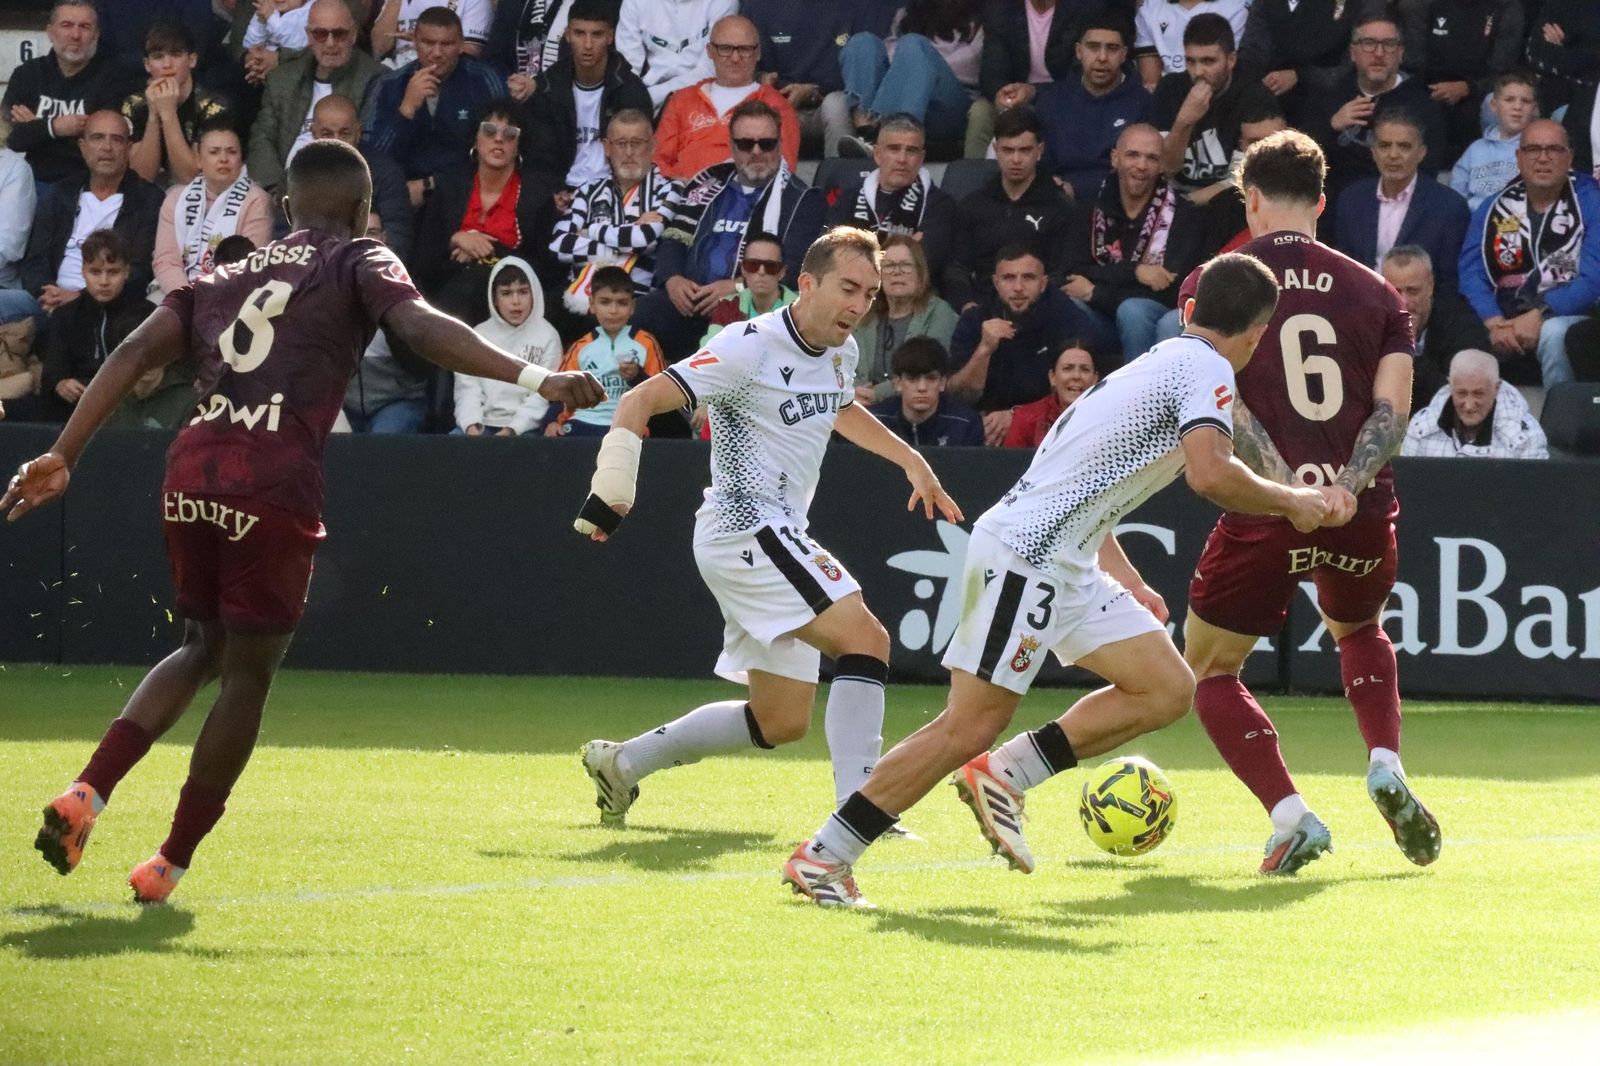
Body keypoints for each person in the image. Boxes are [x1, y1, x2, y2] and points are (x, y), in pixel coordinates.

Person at [7, 138, 606, 904]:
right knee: (248, 674)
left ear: (286, 208)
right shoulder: (359, 259)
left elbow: (130, 350)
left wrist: (63, 453)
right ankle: (168, 863)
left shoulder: (219, 272)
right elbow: (420, 328)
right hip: (271, 481)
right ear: (362, 213)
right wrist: (536, 376)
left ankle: (88, 790)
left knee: (198, 646)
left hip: (191, 470)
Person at [781, 253, 1333, 908]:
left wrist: (1127, 578)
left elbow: (1085, 485)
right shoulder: (1206, 368)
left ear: (1189, 312)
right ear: (1258, 332)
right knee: (967, 725)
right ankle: (824, 858)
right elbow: (1210, 473)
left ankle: (1006, 774)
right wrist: (1294, 502)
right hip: (1028, 554)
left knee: (1164, 688)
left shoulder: (1157, 363)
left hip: (1065, 557)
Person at [573, 227, 962, 832]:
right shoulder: (744, 346)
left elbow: (839, 407)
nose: (860, 306)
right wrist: (611, 490)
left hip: (773, 534)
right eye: (848, 289)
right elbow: (641, 400)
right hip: (744, 528)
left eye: (871, 293)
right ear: (806, 284)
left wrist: (912, 460)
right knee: (867, 638)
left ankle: (622, 764)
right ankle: (864, 808)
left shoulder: (841, 349)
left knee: (780, 722)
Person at [1177, 128, 1440, 877]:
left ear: (1249, 199)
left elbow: (1220, 404)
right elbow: (1391, 415)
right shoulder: (1380, 291)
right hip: (1357, 508)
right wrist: (1342, 490)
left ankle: (1290, 815)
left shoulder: (1215, 282)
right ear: (1322, 202)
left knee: (1212, 670)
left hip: (1265, 508)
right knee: (1359, 626)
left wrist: (1291, 492)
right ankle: (1384, 761)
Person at [633, 100, 825, 361]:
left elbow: (795, 267)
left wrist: (737, 286)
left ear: (780, 145)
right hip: (689, 300)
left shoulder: (803, 199)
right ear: (732, 146)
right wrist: (673, 280)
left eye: (766, 143)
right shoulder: (706, 183)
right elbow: (674, 238)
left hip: (750, 307)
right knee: (636, 314)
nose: (756, 152)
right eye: (746, 144)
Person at [1459, 120, 1600, 387]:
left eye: (1554, 150)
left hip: (1569, 315)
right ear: (1519, 156)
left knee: (1554, 333)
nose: (1543, 158)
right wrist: (1493, 320)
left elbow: (1594, 279)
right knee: (1458, 331)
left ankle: (1560, 425)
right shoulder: (1494, 207)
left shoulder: (1591, 201)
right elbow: (1471, 273)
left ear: (1569, 157)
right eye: (1533, 149)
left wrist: (1541, 313)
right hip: (1501, 315)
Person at [1063, 122, 1207, 362]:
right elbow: (1070, 275)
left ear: (1161, 166)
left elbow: (1173, 288)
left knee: (1134, 311)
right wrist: (1136, 272)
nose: (1141, 166)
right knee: (1068, 305)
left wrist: (1097, 292)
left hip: (1151, 314)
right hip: (1102, 320)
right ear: (1115, 158)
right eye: (1132, 155)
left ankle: (1137, 396)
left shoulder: (1183, 215)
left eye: (1151, 158)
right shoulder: (1089, 210)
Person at [947, 245, 1109, 446]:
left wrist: (1018, 415)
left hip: (1045, 425)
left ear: (1043, 283)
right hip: (982, 425)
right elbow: (960, 396)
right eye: (1008, 278)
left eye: (1028, 277)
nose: (1018, 287)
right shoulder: (975, 320)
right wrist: (984, 350)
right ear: (996, 283)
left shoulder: (1066, 317)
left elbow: (1076, 388)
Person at [411, 99, 552, 326]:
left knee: (473, 282)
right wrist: (456, 239)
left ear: (519, 144)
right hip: (446, 290)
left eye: (509, 134)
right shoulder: (449, 187)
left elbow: (547, 269)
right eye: (489, 130)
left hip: (510, 300)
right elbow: (422, 261)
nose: (498, 139)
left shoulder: (537, 195)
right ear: (475, 140)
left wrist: (488, 253)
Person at [20, 111, 163, 313]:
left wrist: (80, 299)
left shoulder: (148, 200)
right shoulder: (60, 194)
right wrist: (47, 294)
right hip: (47, 300)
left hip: (107, 306)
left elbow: (139, 271)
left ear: (128, 149)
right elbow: (35, 261)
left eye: (117, 139)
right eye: (97, 138)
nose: (106, 147)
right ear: (82, 146)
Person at [1300, 13, 1446, 208]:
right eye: (1368, 43)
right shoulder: (1330, 95)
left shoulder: (1422, 105)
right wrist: (1332, 125)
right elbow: (1302, 163)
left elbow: (1427, 172)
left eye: (1389, 44)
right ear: (1353, 52)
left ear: (1401, 52)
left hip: (1397, 206)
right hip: (1332, 207)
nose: (1379, 53)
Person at [6, 229, 152, 424]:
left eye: (113, 272)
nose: (104, 281)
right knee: (10, 410)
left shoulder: (147, 315)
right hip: (75, 405)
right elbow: (53, 370)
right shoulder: (66, 315)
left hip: (127, 407)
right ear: (83, 271)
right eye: (95, 272)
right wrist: (61, 384)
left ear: (126, 271)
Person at [521, 0, 654, 213]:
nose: (588, 44)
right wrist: (551, 193)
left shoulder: (630, 90)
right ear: (567, 35)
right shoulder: (548, 87)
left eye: (597, 35)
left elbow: (641, 154)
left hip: (617, 194)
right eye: (580, 33)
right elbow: (538, 156)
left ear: (610, 37)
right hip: (561, 193)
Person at [246, 0, 386, 202]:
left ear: (354, 34)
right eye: (320, 34)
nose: (330, 43)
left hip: (344, 189)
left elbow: (369, 146)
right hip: (281, 190)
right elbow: (262, 138)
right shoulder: (282, 78)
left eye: (339, 34)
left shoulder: (375, 79)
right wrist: (276, 189)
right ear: (309, 36)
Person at [550, 109, 679, 313]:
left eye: (636, 143)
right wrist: (612, 249)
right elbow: (559, 244)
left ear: (653, 145)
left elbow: (644, 238)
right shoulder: (588, 190)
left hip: (636, 298)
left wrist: (589, 231)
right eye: (620, 143)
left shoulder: (670, 190)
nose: (628, 152)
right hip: (579, 295)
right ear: (607, 148)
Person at [945, 105, 1071, 314]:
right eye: (1008, 150)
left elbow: (1061, 273)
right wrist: (967, 305)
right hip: (979, 309)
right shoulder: (973, 205)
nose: (1015, 159)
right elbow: (956, 267)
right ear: (995, 151)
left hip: (1040, 312)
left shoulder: (1059, 207)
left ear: (1039, 151)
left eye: (1024, 150)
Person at [366, 6, 508, 187]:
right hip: (401, 193)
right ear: (414, 41)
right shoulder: (388, 84)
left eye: (446, 44)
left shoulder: (484, 81)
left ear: (460, 44)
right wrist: (406, 109)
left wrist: (431, 185)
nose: (437, 53)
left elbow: (502, 151)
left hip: (465, 191)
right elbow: (372, 159)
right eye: (428, 43)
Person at [1332, 109, 1470, 292]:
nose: (1393, 155)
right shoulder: (1352, 199)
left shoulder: (1449, 207)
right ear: (1373, 151)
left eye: (1404, 146)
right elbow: (1341, 270)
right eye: (1384, 146)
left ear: (1421, 153)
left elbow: (1449, 283)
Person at [653, 16, 800, 182]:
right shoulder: (682, 100)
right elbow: (658, 163)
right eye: (725, 49)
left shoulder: (776, 106)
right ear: (709, 51)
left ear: (758, 53)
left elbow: (784, 174)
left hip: (744, 200)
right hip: (681, 198)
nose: (735, 58)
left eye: (745, 49)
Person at [742, 0, 893, 158]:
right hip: (778, 98)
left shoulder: (860, 5)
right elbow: (738, 59)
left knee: (836, 105)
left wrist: (815, 90)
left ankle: (841, 177)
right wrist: (761, 78)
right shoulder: (757, 5)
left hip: (831, 99)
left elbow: (864, 68)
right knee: (753, 104)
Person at [1152, 14, 1281, 199]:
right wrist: (1183, 122)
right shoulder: (1170, 89)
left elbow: (1252, 177)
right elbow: (1165, 169)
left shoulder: (1254, 96)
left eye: (1208, 61)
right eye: (1191, 61)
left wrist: (1191, 204)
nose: (1198, 72)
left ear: (1231, 60)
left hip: (1230, 203)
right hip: (1172, 201)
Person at [2, 1, 124, 190]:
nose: (75, 35)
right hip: (34, 182)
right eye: (67, 25)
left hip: (88, 186)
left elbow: (103, 149)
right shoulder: (28, 74)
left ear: (96, 35)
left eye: (85, 27)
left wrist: (36, 127)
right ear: (50, 32)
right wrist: (54, 127)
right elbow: (10, 139)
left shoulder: (111, 80)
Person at [837, 0, 985, 151]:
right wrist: (910, 62)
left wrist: (920, 61)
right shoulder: (906, 14)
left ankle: (890, 139)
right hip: (901, 97)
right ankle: (867, 133)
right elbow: (891, 48)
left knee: (914, 45)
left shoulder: (982, 17)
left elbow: (969, 67)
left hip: (948, 104)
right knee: (862, 42)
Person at [1036, 14, 1151, 203]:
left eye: (1112, 49)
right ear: (1079, 51)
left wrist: (1079, 189)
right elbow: (1039, 161)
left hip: (1118, 204)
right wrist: (1052, 186)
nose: (1102, 57)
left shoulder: (1143, 103)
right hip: (1056, 204)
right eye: (1093, 47)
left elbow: (1141, 172)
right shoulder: (1051, 100)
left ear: (1124, 54)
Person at [828, 114, 956, 284]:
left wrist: (856, 254)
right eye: (894, 149)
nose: (902, 159)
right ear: (877, 154)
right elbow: (828, 256)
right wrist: (904, 251)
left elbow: (921, 265)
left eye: (911, 151)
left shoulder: (938, 204)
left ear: (921, 158)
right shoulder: (849, 197)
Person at [153, 121, 274, 296]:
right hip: (176, 293)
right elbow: (165, 261)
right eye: (214, 152)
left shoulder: (257, 199)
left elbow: (250, 266)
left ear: (241, 159)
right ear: (198, 159)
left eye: (231, 152)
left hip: (231, 293)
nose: (223, 159)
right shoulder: (175, 198)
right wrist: (185, 297)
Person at [1395, 0, 1523, 158]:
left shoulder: (1505, 7)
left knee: (1496, 104)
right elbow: (1413, 65)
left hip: (1480, 91)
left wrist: (1467, 88)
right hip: (1431, 88)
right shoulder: (1422, 5)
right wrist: (1432, 90)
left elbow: (1502, 73)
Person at [549, 266, 666, 437]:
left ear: (633, 306)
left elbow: (662, 394)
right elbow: (560, 392)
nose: (613, 310)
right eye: (605, 302)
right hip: (582, 421)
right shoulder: (580, 347)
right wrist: (551, 421)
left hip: (628, 422)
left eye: (622, 303)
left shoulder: (646, 343)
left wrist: (637, 376)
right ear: (592, 304)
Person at [342, 211, 430, 434]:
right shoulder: (332, 285)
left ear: (384, 237)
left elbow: (421, 366)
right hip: (343, 404)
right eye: (359, 233)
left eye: (372, 232)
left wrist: (386, 311)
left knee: (381, 446)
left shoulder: (405, 284)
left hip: (396, 401)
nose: (365, 240)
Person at [457, 256, 564, 436]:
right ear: (494, 298)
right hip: (481, 425)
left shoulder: (548, 336)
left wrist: (512, 429)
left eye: (523, 292)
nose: (516, 301)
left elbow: (542, 394)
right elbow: (468, 389)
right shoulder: (477, 335)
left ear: (534, 293)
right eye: (506, 293)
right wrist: (470, 425)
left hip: (526, 428)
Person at [120, 20, 233, 185]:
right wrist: (153, 116)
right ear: (147, 65)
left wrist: (168, 115)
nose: (167, 64)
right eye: (158, 57)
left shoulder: (214, 107)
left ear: (192, 60)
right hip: (150, 197)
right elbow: (142, 178)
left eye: (176, 54)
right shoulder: (134, 104)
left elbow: (191, 178)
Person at [1381, 245, 1492, 411]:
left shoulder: (1461, 324)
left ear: (1431, 285)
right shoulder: (1368, 323)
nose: (1404, 302)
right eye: (1395, 292)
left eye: (1413, 291)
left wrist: (1409, 350)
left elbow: (1459, 402)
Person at [850, 233, 959, 404]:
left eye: (906, 265)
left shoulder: (939, 313)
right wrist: (854, 392)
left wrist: (877, 393)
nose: (897, 272)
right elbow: (846, 366)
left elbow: (929, 368)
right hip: (864, 409)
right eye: (889, 266)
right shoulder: (864, 316)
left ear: (920, 272)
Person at [306, 95, 413, 263]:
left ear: (358, 132)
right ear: (313, 134)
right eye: (327, 134)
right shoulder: (297, 176)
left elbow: (397, 243)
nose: (337, 142)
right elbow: (285, 239)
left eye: (344, 133)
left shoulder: (386, 172)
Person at [1401, 348, 1549, 459]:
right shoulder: (1420, 427)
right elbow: (1404, 490)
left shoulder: (1528, 437)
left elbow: (1535, 498)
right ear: (1450, 387)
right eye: (1461, 393)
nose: (1469, 405)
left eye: (1478, 394)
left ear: (1496, 388)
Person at [617, 0, 738, 111]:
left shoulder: (723, 2)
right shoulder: (634, 2)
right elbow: (627, 66)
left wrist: (649, 96)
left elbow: (711, 69)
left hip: (705, 93)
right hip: (649, 92)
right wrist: (633, 97)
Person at [866, 336, 983, 446]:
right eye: (912, 378)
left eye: (931, 378)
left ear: (942, 383)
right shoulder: (872, 421)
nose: (922, 387)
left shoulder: (965, 424)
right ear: (898, 383)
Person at [1450, 71, 1537, 211]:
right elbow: (1456, 196)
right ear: (1494, 105)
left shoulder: (1538, 149)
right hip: (1476, 222)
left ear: (1534, 109)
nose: (1517, 107)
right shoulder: (1475, 149)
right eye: (1509, 99)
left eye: (1525, 101)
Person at [701, 232, 796, 343]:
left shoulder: (802, 310)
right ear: (743, 270)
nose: (761, 272)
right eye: (753, 265)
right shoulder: (727, 305)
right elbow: (709, 351)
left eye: (771, 266)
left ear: (782, 272)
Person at [1002, 342, 1097, 448]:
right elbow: (1011, 463)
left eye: (1085, 369)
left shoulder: (1109, 419)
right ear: (1052, 377)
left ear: (1095, 379)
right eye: (1067, 368)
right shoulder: (1026, 418)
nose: (1076, 376)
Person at [1134, 0, 1250, 86]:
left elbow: (1228, 68)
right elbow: (1150, 82)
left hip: (1219, 96)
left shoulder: (1236, 7)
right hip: (1168, 98)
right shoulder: (1149, 9)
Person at [485, 0, 581, 97]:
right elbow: (495, 59)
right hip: (516, 99)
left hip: (566, 99)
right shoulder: (513, 3)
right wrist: (513, 85)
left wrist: (539, 85)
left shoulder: (590, 5)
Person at [371, 0, 491, 69]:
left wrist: (426, 42)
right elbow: (378, 48)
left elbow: (471, 50)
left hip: (447, 74)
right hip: (398, 74)